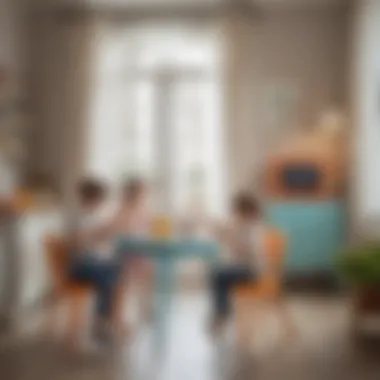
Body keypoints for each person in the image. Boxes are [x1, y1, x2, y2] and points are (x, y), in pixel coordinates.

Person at [69, 178, 121, 341]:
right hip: (81, 266)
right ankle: (101, 322)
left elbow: (105, 243)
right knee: (107, 276)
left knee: (117, 272)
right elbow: (76, 244)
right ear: (88, 197)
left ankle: (109, 320)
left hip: (98, 263)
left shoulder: (98, 215)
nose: (99, 202)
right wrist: (97, 234)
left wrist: (107, 234)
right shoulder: (78, 216)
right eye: (97, 199)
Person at [210, 193, 267, 334]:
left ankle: (222, 313)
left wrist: (236, 237)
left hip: (253, 271)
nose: (236, 214)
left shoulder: (253, 228)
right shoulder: (240, 226)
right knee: (219, 275)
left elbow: (253, 254)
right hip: (243, 269)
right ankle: (223, 311)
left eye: (239, 211)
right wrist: (225, 232)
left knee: (219, 275)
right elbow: (223, 239)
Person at [113, 178, 154, 322]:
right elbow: (120, 231)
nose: (140, 197)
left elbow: (149, 227)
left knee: (148, 275)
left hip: (141, 251)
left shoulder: (144, 210)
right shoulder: (122, 210)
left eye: (141, 194)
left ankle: (145, 307)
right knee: (126, 281)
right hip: (126, 252)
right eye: (137, 193)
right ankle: (122, 312)